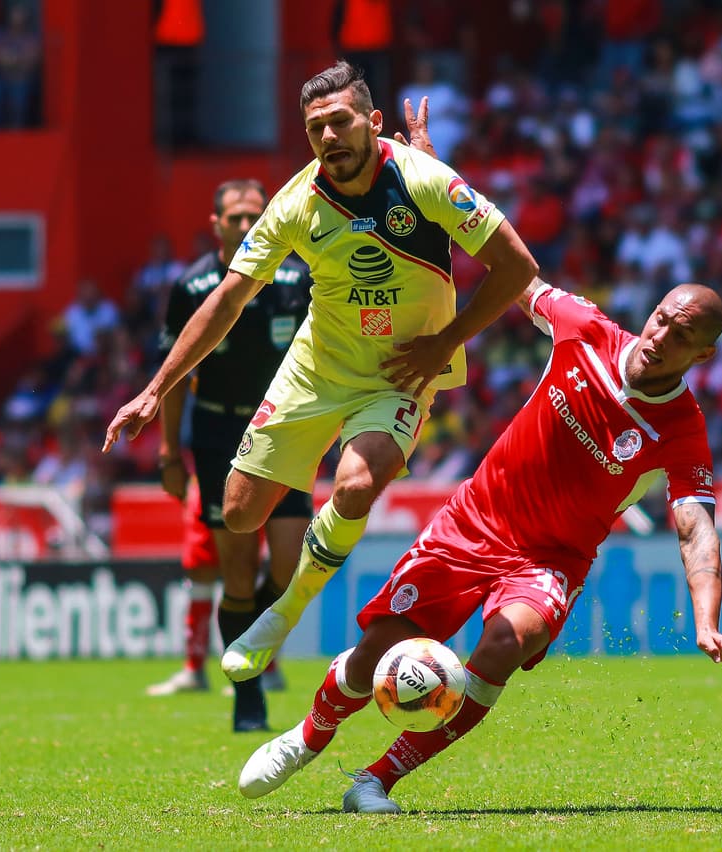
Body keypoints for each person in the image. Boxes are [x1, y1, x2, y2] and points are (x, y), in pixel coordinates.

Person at [236, 279, 722, 813]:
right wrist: (452, 220)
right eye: (662, 318)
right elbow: (516, 276)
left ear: (704, 353)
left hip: (550, 559)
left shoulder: (682, 428)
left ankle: (375, 780)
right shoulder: (583, 329)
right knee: (377, 653)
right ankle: (306, 739)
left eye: (683, 334)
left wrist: (706, 622)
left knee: (506, 645)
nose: (661, 336)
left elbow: (696, 527)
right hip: (471, 523)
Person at [102, 61, 539, 684]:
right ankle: (291, 558)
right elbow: (228, 299)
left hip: (401, 371)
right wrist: (154, 391)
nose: (329, 138)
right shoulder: (297, 200)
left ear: (373, 121)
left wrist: (444, 342)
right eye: (316, 129)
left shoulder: (426, 179)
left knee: (357, 485)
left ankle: (285, 612)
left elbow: (516, 267)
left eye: (340, 122)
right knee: (241, 514)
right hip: (315, 367)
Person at [144, 178, 315, 733]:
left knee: (289, 569)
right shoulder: (192, 287)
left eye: (254, 216)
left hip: (282, 428)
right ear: (215, 223)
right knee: (237, 572)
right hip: (218, 433)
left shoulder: (296, 278)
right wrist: (171, 453)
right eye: (235, 218)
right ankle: (248, 696)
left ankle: (256, 641)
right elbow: (174, 375)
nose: (246, 226)